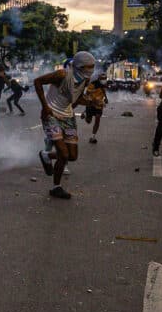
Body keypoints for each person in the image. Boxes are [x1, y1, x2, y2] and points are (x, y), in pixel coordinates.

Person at [35, 51, 97, 200]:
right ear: (80, 66)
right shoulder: (62, 75)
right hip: (51, 115)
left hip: (68, 117)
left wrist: (90, 102)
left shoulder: (85, 80)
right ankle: (56, 187)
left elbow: (75, 99)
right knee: (63, 154)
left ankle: (47, 155)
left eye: (93, 67)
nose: (92, 69)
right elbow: (37, 82)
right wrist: (45, 107)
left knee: (72, 156)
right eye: (89, 66)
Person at [84, 73, 109, 144]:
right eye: (102, 79)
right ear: (99, 79)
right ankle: (86, 116)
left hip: (99, 105)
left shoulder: (104, 85)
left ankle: (93, 136)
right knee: (88, 121)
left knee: (97, 119)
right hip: (91, 104)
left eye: (105, 79)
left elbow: (103, 92)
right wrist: (93, 95)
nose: (104, 80)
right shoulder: (93, 84)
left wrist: (106, 99)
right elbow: (87, 93)